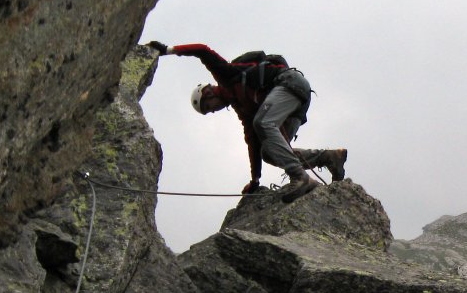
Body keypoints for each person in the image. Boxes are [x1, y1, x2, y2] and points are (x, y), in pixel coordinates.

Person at [146, 41, 347, 202]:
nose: (213, 110)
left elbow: (202, 50)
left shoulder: (227, 76)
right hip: (295, 104)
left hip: (289, 83)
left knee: (263, 123)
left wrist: (167, 50)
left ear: (208, 93)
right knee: (270, 151)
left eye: (209, 106)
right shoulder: (243, 108)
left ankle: (300, 177)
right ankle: (329, 157)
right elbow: (252, 141)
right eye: (209, 112)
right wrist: (255, 179)